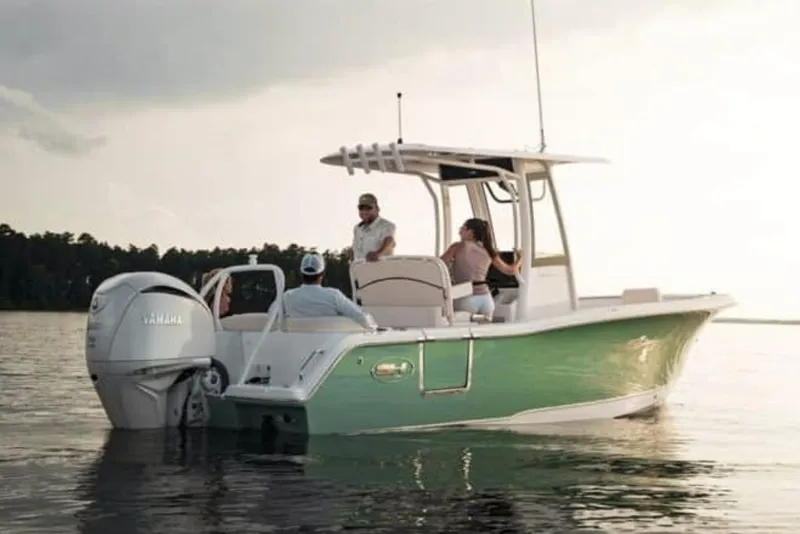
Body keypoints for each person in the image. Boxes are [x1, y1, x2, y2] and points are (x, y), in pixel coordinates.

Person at [440, 218, 522, 319]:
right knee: (483, 331)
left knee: (464, 330)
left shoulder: (458, 246)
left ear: (470, 232)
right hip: (486, 300)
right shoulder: (488, 250)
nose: (459, 232)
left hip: (466, 299)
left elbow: (439, 265)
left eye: (462, 229)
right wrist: (520, 259)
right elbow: (510, 271)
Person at [281, 252, 378, 329]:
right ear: (322, 274)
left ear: (301, 273)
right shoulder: (333, 296)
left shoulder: (288, 296)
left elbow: (272, 317)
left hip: (296, 347)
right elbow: (361, 317)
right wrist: (375, 328)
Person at [350, 193, 396, 262]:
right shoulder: (357, 228)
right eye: (361, 208)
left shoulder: (387, 225)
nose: (364, 211)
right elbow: (354, 250)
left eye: (369, 208)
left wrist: (378, 253)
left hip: (380, 270)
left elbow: (389, 241)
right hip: (360, 270)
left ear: (377, 209)